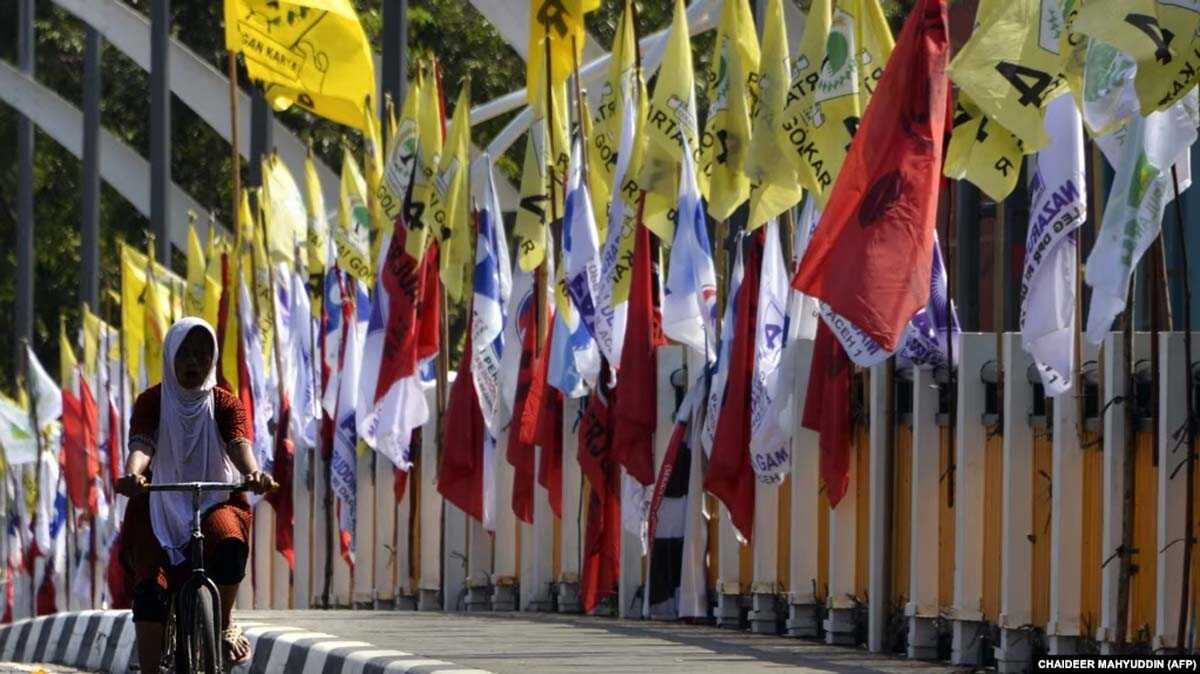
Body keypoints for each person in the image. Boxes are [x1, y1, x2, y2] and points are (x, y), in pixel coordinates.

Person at [115, 317, 276, 671]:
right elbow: (142, 443)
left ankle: (223, 623)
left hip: (214, 499)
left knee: (230, 542)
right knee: (150, 590)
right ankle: (149, 667)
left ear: (213, 359)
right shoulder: (152, 401)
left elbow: (239, 443)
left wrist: (252, 473)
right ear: (170, 356)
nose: (193, 362)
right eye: (185, 354)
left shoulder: (225, 403)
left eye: (202, 355)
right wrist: (133, 474)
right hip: (157, 503)